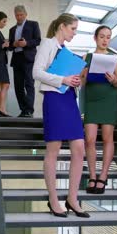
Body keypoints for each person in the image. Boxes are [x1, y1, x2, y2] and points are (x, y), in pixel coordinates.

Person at [33, 13, 89, 218]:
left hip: (68, 100)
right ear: (62, 27)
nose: (75, 32)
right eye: (73, 28)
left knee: (79, 148)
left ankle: (72, 198)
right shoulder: (47, 44)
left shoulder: (65, 51)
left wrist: (75, 81)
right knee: (53, 150)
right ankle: (53, 199)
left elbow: (66, 78)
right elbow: (36, 72)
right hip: (54, 100)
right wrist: (63, 79)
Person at [80, 25, 117, 195]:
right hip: (91, 102)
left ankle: (103, 176)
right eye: (102, 36)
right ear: (95, 38)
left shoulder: (116, 59)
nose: (105, 40)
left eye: (108, 37)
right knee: (89, 140)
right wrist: (85, 74)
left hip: (108, 100)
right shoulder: (85, 57)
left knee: (107, 138)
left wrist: (113, 80)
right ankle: (91, 175)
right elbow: (81, 83)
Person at [9, 5, 41, 118]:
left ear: (25, 14)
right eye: (17, 15)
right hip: (17, 58)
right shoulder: (12, 29)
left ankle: (29, 110)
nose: (19, 17)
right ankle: (23, 110)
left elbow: (38, 40)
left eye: (21, 15)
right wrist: (13, 44)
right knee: (18, 86)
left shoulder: (33, 24)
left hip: (28, 58)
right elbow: (10, 47)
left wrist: (26, 43)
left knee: (29, 84)